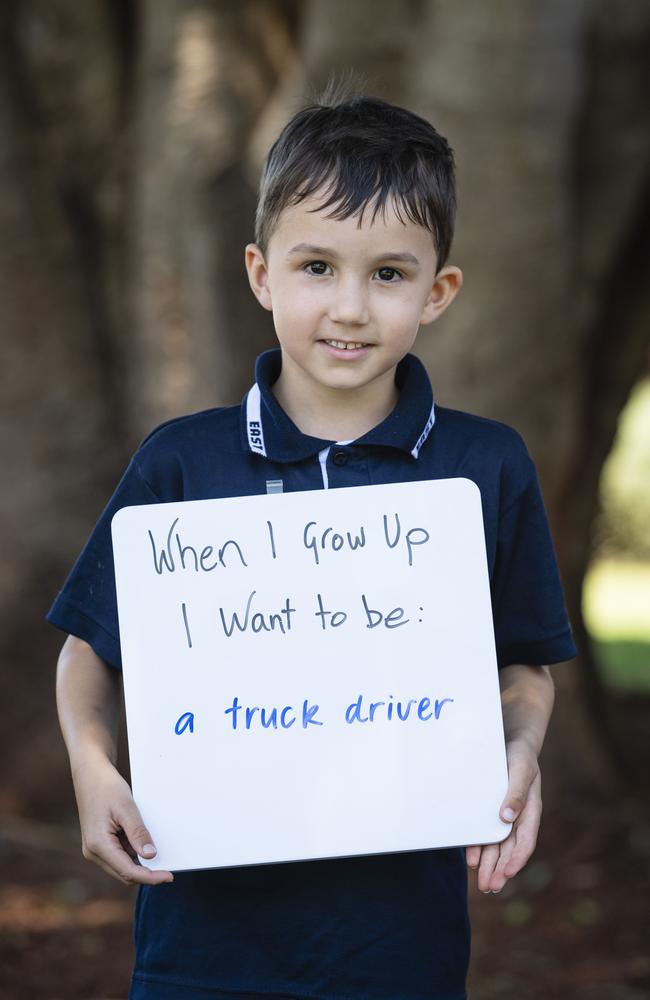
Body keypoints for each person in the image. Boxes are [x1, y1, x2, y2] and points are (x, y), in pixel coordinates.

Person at [48, 87, 577, 1000]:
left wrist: (519, 751)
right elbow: (88, 656)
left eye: (389, 274)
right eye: (317, 266)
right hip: (200, 941)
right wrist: (92, 772)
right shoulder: (180, 464)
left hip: (398, 946)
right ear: (261, 274)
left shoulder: (484, 466)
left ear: (438, 291)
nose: (351, 307)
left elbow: (525, 664)